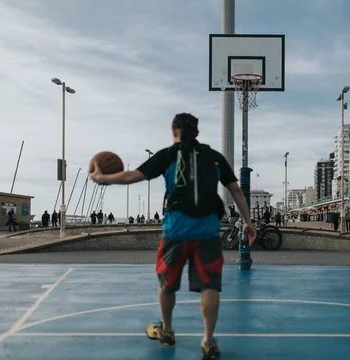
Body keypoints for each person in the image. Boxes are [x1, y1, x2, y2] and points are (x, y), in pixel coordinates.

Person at [89, 113, 255, 359]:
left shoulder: (167, 155)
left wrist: (102, 178)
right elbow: (234, 190)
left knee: (167, 284)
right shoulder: (214, 157)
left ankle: (166, 331)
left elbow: (130, 176)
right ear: (197, 132)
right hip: (208, 230)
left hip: (176, 231)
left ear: (173, 131)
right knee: (210, 286)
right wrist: (248, 222)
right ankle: (208, 341)